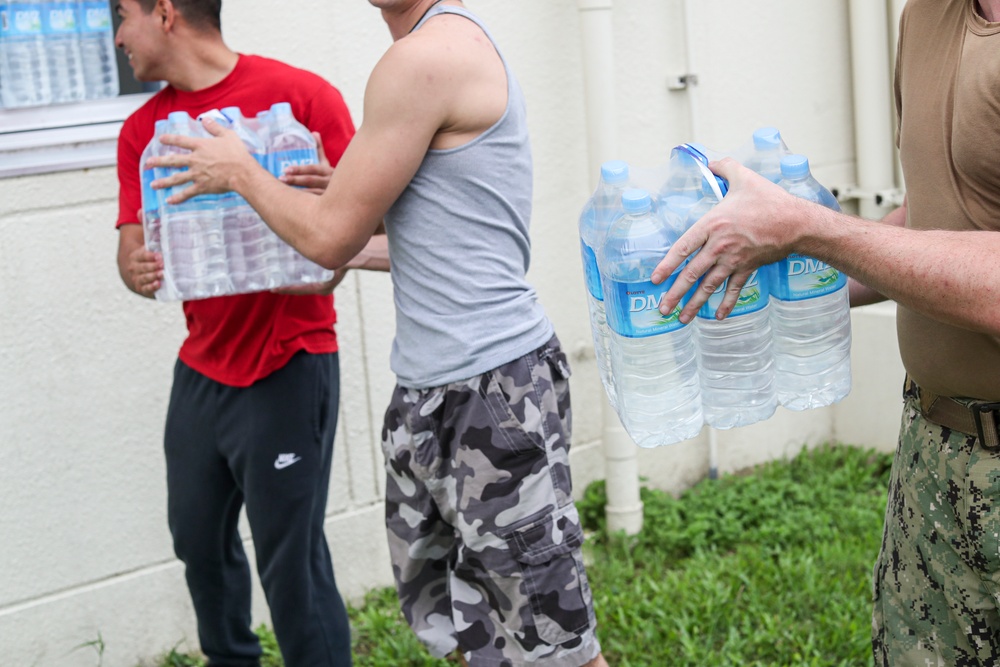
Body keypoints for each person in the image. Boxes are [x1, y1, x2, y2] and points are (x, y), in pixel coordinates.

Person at [147, 1, 609, 665]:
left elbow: (330, 238)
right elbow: (433, 236)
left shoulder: (423, 58)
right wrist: (346, 202)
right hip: (434, 386)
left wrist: (239, 171)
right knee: (464, 623)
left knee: (554, 638)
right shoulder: (433, 52)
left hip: (492, 390)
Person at [650, 0, 1000, 664]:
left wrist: (813, 230)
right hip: (933, 449)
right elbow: (934, 224)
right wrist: (791, 283)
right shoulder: (926, 16)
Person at [113, 1, 362, 665]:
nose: (116, 35)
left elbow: (365, 228)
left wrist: (325, 268)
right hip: (201, 368)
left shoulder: (302, 98)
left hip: (288, 360)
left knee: (291, 559)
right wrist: (135, 267)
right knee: (197, 540)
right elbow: (133, 242)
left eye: (122, 13)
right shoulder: (144, 129)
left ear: (165, 12)